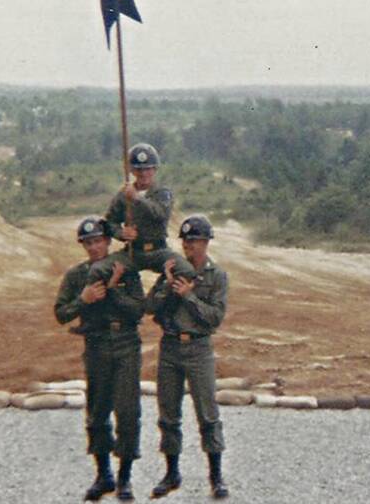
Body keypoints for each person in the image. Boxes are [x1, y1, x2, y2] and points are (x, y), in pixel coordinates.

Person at [54, 215, 144, 502]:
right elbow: (61, 313)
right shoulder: (77, 276)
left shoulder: (126, 270)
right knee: (97, 409)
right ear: (83, 245)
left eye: (99, 241)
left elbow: (138, 310)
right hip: (96, 345)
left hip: (126, 343)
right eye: (88, 242)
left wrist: (114, 289)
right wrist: (84, 299)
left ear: (108, 241)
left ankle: (124, 477)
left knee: (128, 411)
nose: (94, 247)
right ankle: (103, 473)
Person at [145, 214, 229, 500]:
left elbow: (214, 318)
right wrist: (169, 287)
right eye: (185, 241)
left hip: (198, 348)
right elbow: (150, 307)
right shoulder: (172, 272)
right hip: (170, 347)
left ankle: (216, 476)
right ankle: (171, 473)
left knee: (207, 413)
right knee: (168, 413)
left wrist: (190, 296)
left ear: (206, 242)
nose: (188, 247)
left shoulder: (216, 276)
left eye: (194, 241)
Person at [87, 142, 195, 286]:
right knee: (98, 270)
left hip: (159, 251)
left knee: (186, 270)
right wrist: (121, 233)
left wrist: (137, 198)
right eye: (138, 169)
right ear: (131, 170)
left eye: (147, 168)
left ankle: (158, 299)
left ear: (155, 169)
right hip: (133, 252)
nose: (143, 173)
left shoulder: (162, 193)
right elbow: (109, 222)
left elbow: (160, 214)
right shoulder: (123, 195)